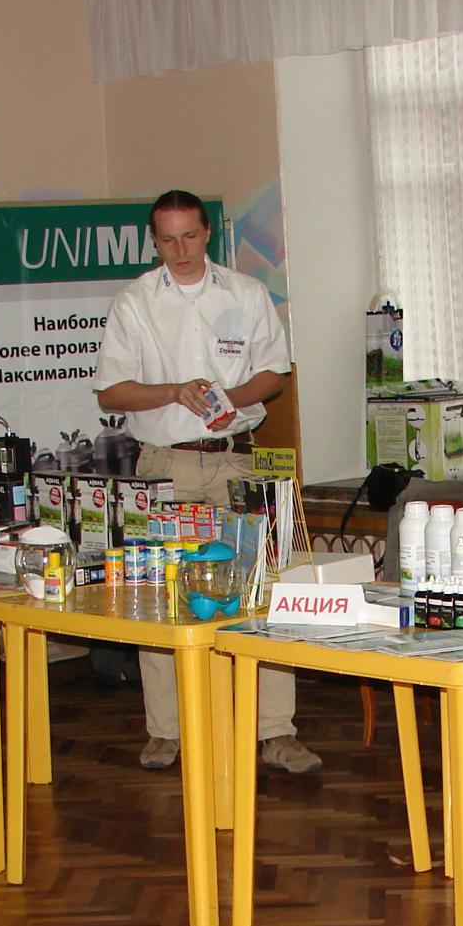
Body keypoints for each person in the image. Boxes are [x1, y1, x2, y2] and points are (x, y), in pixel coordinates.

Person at [92, 190, 320, 774]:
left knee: (260, 588)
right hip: (164, 465)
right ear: (154, 241)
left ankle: (275, 730)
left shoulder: (245, 294)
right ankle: (166, 730)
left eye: (190, 236)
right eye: (168, 240)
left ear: (207, 233)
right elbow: (111, 391)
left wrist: (227, 399)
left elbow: (274, 373)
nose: (181, 249)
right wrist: (175, 391)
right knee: (160, 593)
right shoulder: (135, 302)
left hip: (235, 461)